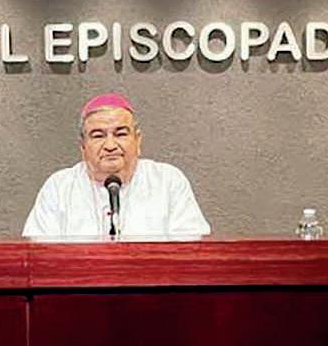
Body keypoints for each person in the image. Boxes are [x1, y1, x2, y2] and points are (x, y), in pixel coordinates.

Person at [22, 93, 210, 238]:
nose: (110, 145)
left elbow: (191, 251)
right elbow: (38, 255)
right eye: (98, 136)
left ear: (138, 141)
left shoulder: (168, 182)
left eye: (120, 134)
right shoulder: (59, 187)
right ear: (83, 147)